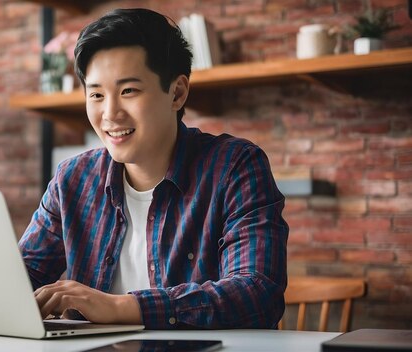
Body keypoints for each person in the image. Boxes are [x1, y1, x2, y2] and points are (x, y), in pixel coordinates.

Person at [19, 8, 288, 329]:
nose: (110, 113)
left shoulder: (235, 166)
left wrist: (121, 307)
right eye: (96, 95)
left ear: (177, 93)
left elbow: (257, 292)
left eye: (128, 91)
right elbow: (23, 276)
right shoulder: (72, 179)